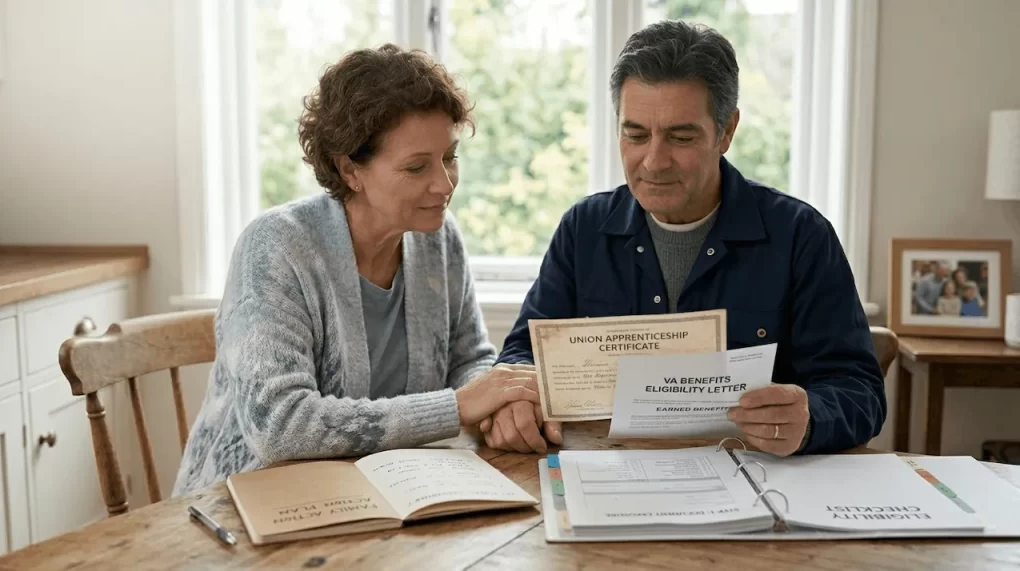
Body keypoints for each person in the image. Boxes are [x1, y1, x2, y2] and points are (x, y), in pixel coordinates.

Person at [485, 19, 887, 457]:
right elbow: (523, 353)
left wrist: (809, 418)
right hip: (607, 475)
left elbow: (860, 391)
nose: (654, 162)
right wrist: (514, 400)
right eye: (635, 134)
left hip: (754, 480)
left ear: (727, 131)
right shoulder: (583, 229)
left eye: (680, 136)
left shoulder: (800, 236)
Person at [173, 44, 540, 496]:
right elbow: (279, 427)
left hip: (388, 496)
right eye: (416, 167)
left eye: (449, 157)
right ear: (350, 170)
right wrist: (460, 405)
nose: (443, 184)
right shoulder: (276, 246)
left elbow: (467, 359)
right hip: (249, 506)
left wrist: (498, 404)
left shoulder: (438, 239)